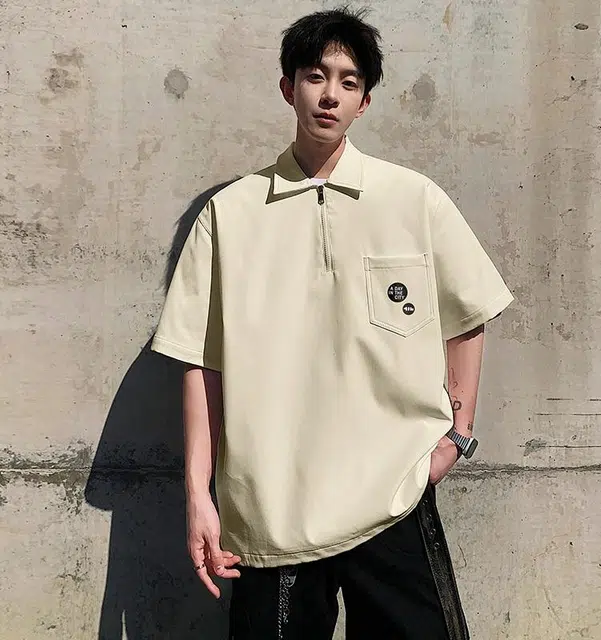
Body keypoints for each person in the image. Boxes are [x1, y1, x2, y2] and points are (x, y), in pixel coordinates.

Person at [151, 7, 513, 639]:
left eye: (349, 81)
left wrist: (456, 437)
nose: (330, 94)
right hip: (273, 508)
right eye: (316, 76)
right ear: (288, 87)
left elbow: (468, 315)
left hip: (392, 492)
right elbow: (200, 362)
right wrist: (198, 497)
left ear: (365, 101)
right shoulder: (229, 215)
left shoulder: (412, 199)